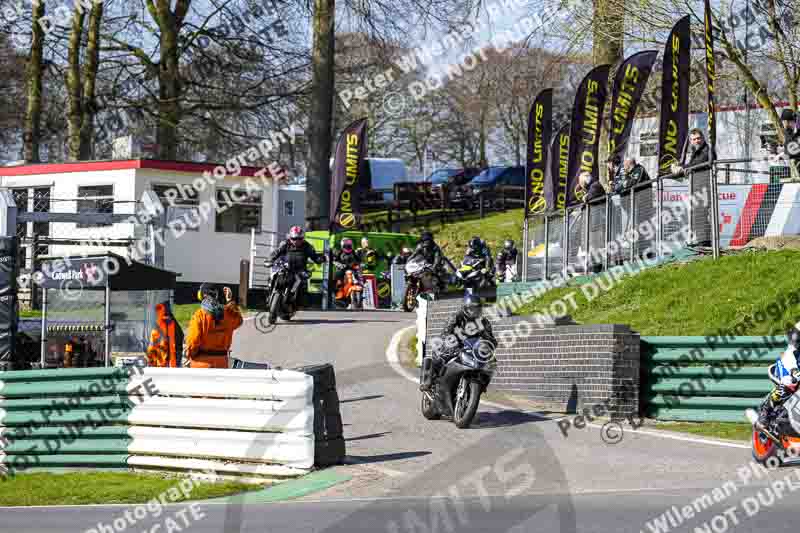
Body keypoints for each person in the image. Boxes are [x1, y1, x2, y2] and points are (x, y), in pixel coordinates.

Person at [420, 294, 497, 392]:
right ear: (465, 308)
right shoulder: (456, 317)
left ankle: (481, 385)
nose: (474, 311)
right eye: (472, 309)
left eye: (477, 309)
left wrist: (489, 344)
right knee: (438, 351)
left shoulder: (484, 322)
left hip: (472, 349)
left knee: (492, 362)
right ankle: (428, 380)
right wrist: (450, 342)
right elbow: (445, 333)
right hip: (455, 346)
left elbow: (492, 340)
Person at [670, 129, 717, 246]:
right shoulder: (695, 152)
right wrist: (676, 169)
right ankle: (701, 242)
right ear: (690, 141)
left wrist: (682, 168)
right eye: (694, 139)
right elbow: (691, 166)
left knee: (702, 214)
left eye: (698, 138)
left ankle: (705, 244)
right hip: (696, 187)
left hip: (704, 187)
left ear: (703, 138)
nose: (696, 141)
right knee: (697, 215)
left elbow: (699, 163)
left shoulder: (707, 149)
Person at [184, 284, 243, 368]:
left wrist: (189, 354)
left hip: (200, 364)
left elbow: (193, 340)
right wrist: (230, 302)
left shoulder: (199, 316)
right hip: (221, 363)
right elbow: (239, 321)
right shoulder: (228, 314)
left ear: (202, 296)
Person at [267, 226, 324, 308]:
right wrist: (270, 260)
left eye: (299, 239)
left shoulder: (307, 246)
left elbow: (314, 257)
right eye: (294, 238)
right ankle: (270, 295)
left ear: (302, 238)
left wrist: (320, 259)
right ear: (290, 237)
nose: (296, 241)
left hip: (299, 270)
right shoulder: (285, 244)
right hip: (285, 267)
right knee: (273, 277)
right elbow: (276, 252)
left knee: (302, 284)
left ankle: (295, 302)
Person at [758, 322, 800, 428]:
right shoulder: (792, 351)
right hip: (788, 371)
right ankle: (766, 411)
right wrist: (794, 372)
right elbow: (789, 361)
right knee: (790, 382)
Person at [146, 301, 184, 367]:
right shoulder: (173, 323)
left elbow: (152, 347)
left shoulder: (157, 326)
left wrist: (151, 363)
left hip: (162, 365)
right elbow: (180, 339)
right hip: (172, 364)